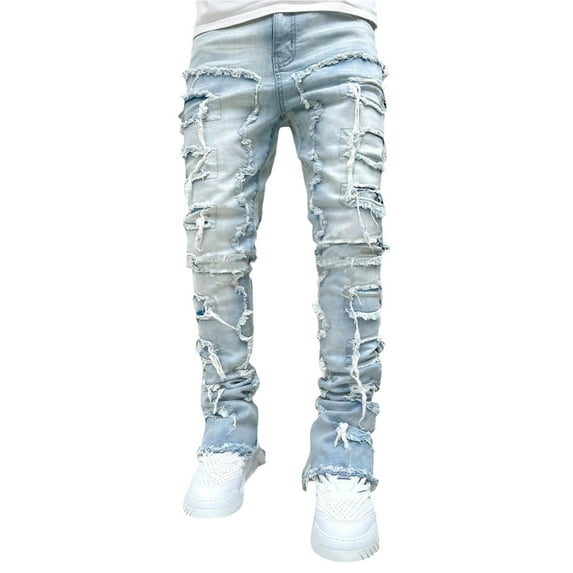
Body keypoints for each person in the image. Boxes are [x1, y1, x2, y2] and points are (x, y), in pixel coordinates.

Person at [177, 0, 388, 562]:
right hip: (226, 36)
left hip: (337, 29)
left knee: (352, 243)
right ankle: (228, 428)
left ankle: (345, 449)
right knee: (214, 244)